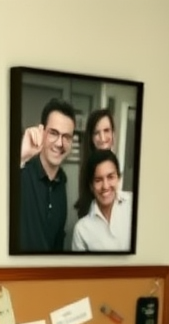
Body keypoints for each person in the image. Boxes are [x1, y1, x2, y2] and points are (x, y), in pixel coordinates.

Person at [17, 97, 76, 253]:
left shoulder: (62, 183)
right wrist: (21, 155)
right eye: (54, 133)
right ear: (41, 131)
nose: (59, 143)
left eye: (66, 137)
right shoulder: (22, 172)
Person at [71, 148, 134, 252]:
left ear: (118, 178)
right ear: (91, 186)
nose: (105, 186)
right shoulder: (81, 229)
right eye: (98, 180)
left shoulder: (134, 204)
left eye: (110, 177)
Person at [74, 107, 116, 221]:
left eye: (106, 130)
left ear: (113, 132)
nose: (102, 138)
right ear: (91, 138)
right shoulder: (87, 168)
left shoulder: (115, 163)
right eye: (96, 133)